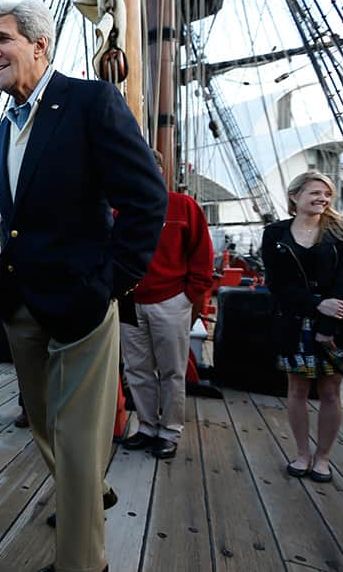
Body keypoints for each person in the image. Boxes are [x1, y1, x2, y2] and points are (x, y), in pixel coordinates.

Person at [0, 0, 167, 572]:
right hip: (22, 305)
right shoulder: (4, 130)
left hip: (83, 303)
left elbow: (146, 198)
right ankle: (87, 491)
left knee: (79, 441)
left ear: (39, 45)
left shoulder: (90, 103)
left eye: (3, 40)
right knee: (44, 426)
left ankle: (82, 563)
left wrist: (110, 284)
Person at [263, 171, 343, 483]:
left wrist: (328, 325)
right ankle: (302, 453)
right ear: (295, 196)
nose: (322, 199)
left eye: (326, 194)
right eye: (315, 193)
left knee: (330, 391)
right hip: (294, 320)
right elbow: (276, 283)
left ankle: (323, 458)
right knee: (297, 389)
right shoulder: (275, 233)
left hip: (336, 324)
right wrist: (315, 304)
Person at [121, 151, 214, 460]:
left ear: (160, 171)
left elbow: (202, 255)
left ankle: (169, 431)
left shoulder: (183, 206)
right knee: (137, 369)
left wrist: (189, 295)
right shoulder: (118, 210)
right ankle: (147, 427)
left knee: (172, 370)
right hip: (128, 302)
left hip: (171, 300)